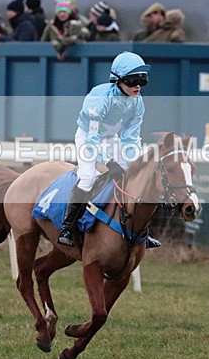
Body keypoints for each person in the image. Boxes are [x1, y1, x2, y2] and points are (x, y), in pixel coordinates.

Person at [57, 51, 158, 248]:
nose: (138, 86)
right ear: (118, 80)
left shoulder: (138, 102)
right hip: (88, 137)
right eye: (133, 81)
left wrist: (135, 162)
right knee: (88, 177)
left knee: (134, 175)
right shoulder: (100, 97)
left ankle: (141, 231)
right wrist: (109, 162)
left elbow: (130, 138)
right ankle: (67, 227)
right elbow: (93, 139)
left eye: (142, 81)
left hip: (113, 139)